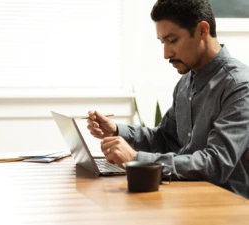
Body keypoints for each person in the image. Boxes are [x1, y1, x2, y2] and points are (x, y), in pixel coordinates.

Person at [86, 0, 249, 198]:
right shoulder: (186, 83)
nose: (166, 54)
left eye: (172, 40)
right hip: (186, 196)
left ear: (202, 30)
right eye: (162, 42)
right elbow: (165, 138)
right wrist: (116, 130)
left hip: (225, 205)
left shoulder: (239, 86)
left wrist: (137, 159)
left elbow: (216, 163)